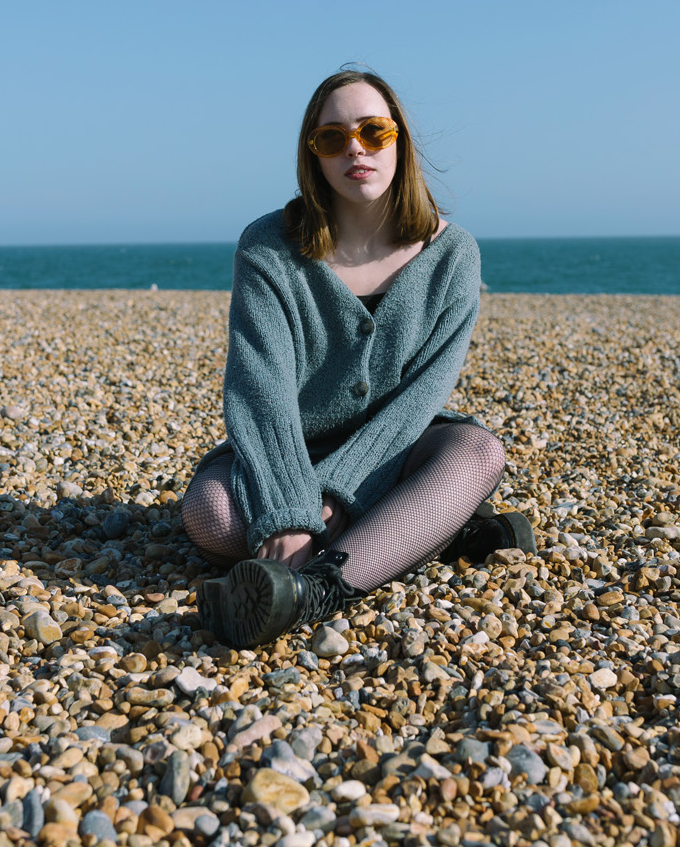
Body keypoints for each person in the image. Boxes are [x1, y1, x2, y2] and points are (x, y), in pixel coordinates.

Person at [183, 69, 534, 648]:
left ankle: (314, 592)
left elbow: (420, 400)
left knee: (479, 451)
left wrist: (341, 495)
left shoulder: (453, 255)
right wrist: (290, 512)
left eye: (374, 131)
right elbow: (260, 391)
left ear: (400, 141)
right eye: (332, 138)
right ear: (313, 155)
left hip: (395, 451)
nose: (355, 149)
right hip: (287, 451)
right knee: (210, 516)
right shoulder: (268, 247)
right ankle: (430, 533)